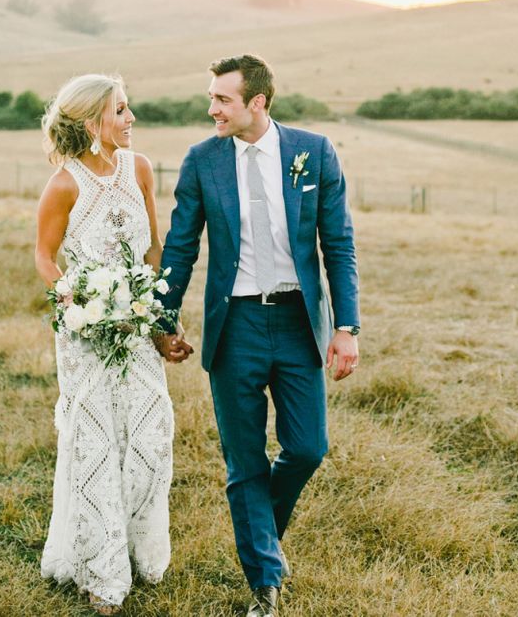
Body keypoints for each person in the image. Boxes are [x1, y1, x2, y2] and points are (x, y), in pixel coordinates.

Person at [156, 54, 360, 617]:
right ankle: (265, 585)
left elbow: (337, 244)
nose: (211, 108)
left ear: (258, 103)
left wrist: (346, 327)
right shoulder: (202, 161)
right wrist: (162, 318)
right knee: (244, 460)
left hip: (298, 324)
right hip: (236, 325)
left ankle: (258, 531)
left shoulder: (312, 152)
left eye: (222, 99)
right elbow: (181, 246)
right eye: (212, 97)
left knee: (307, 448)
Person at [35, 74, 183, 615]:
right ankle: (99, 569)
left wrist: (162, 320)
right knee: (95, 445)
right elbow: (46, 259)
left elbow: (153, 249)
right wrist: (73, 301)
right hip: (87, 336)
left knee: (150, 436)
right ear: (93, 120)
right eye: (121, 111)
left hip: (138, 330)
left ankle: (141, 551)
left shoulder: (138, 168)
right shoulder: (64, 184)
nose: (131, 119)